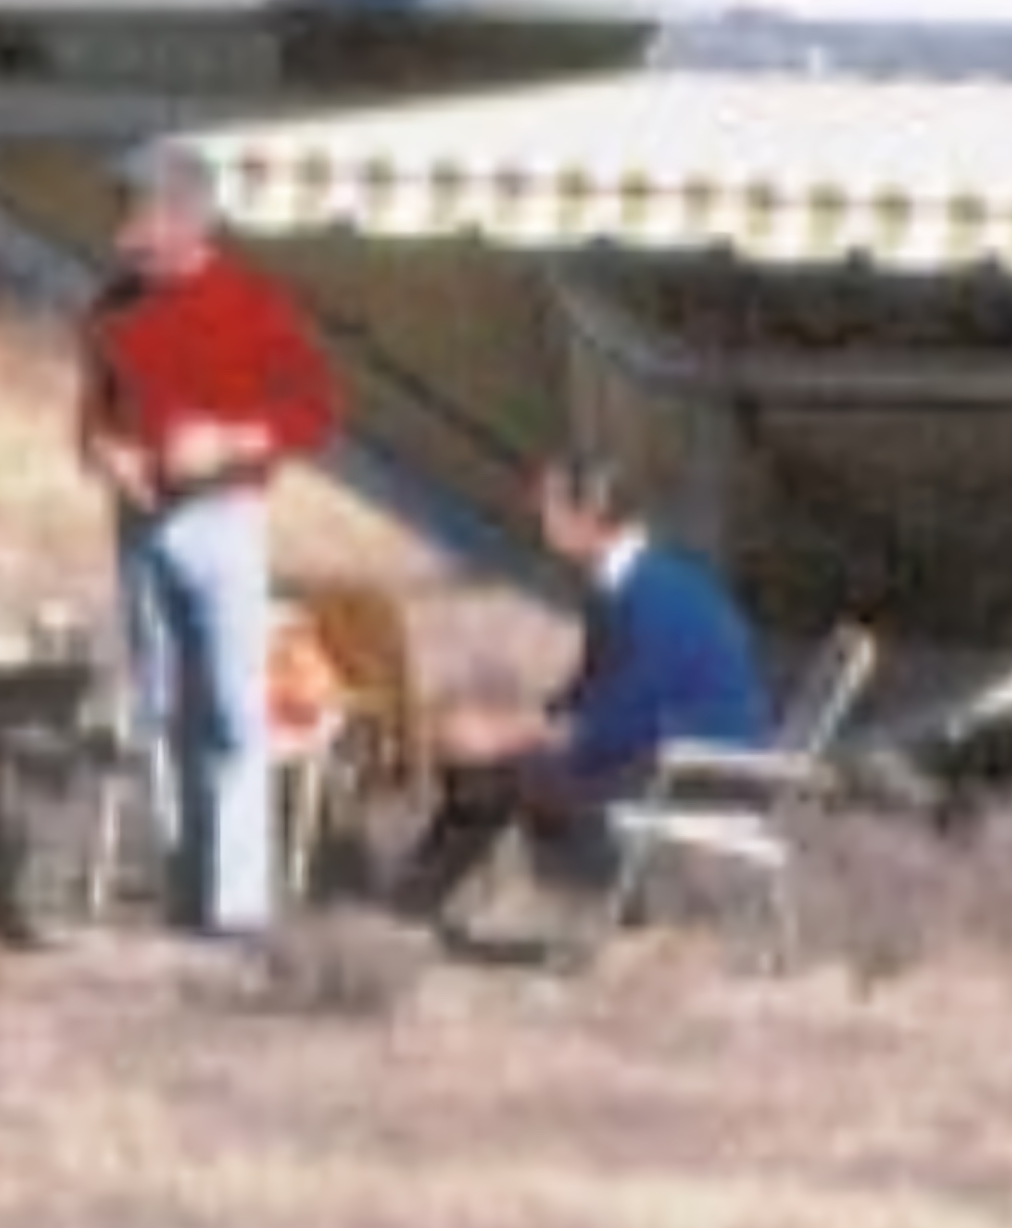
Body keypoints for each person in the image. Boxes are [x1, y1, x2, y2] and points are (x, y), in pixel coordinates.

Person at [79, 141, 342, 944]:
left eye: (136, 214)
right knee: (161, 710)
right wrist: (104, 452)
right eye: (122, 213)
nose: (122, 233)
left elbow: (317, 413)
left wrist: (231, 441)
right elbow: (90, 416)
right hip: (139, 524)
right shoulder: (108, 311)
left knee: (230, 709)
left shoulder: (255, 303)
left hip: (223, 519)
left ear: (183, 218)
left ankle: (239, 908)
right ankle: (183, 896)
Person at [391, 454, 772, 925]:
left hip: (703, 769)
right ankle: (594, 905)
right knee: (498, 766)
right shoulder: (636, 581)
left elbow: (620, 717)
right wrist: (511, 724)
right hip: (674, 751)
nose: (539, 517)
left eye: (550, 507)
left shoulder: (652, 594)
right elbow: (595, 695)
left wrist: (508, 735)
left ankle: (408, 912)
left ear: (587, 518)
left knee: (505, 773)